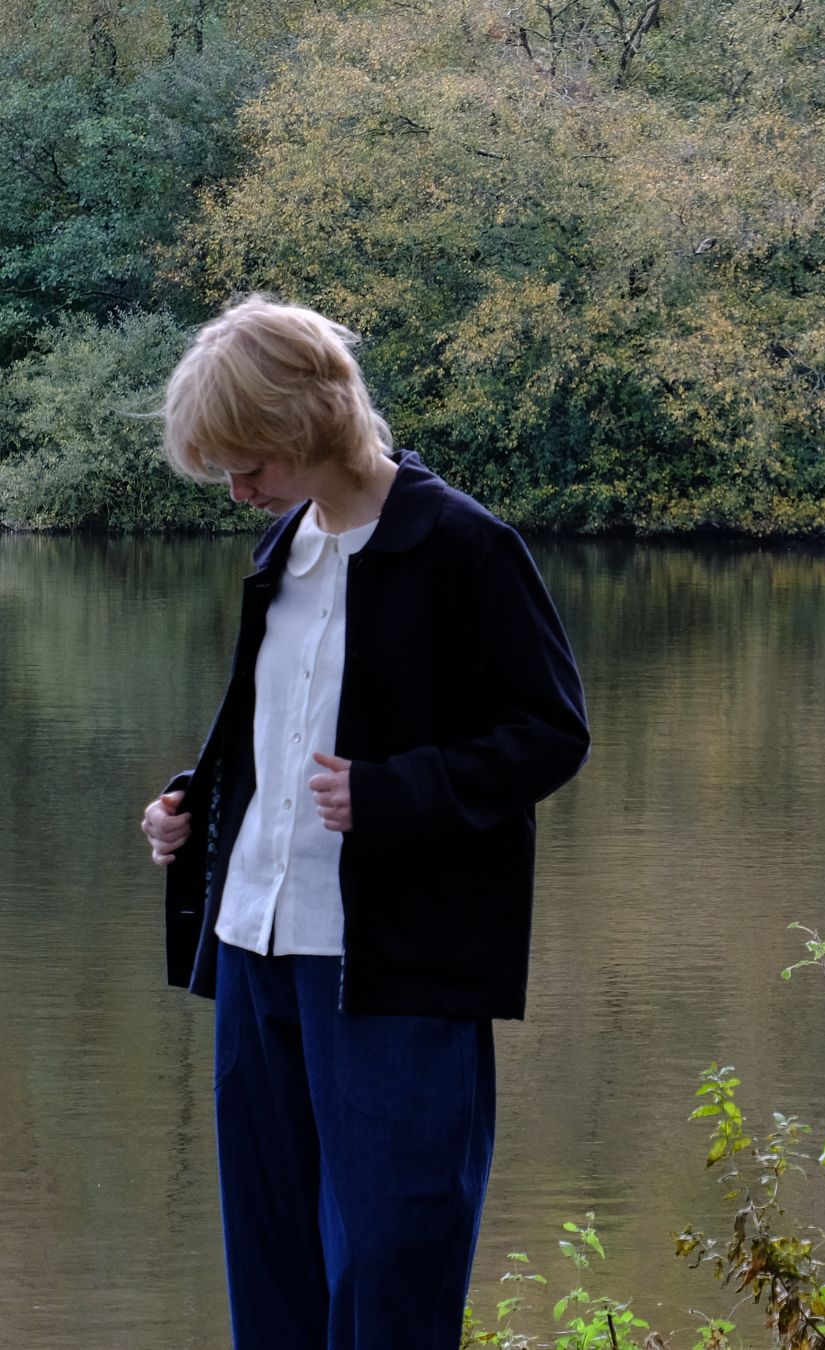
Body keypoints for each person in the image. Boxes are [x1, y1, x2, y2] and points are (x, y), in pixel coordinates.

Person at [140, 294, 590, 1350]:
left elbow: (550, 733)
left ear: (309, 425)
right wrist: (195, 810)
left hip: (394, 968)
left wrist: (398, 794)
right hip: (256, 952)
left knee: (394, 1269)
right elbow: (279, 734)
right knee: (274, 1270)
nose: (241, 491)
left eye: (249, 465)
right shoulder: (281, 553)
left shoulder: (466, 547)